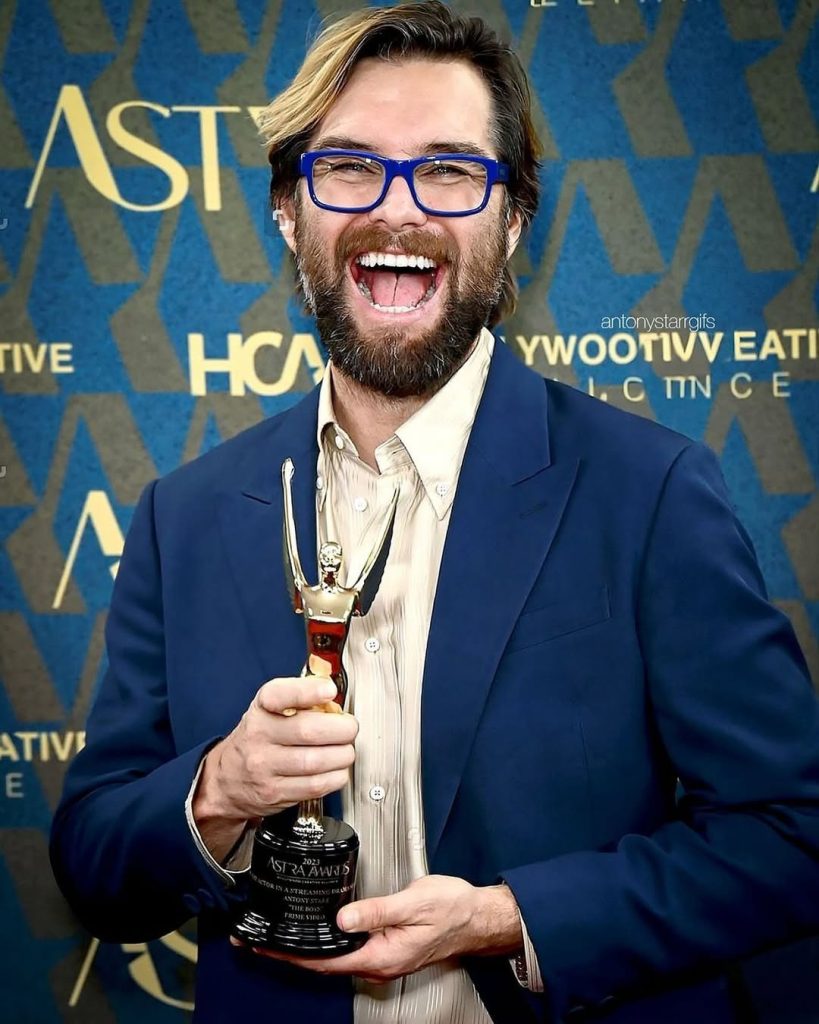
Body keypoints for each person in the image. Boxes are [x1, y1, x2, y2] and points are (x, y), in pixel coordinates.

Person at [50, 3, 819, 1023]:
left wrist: (511, 917)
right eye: (350, 168)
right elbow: (95, 863)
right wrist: (219, 790)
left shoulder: (650, 492)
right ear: (290, 209)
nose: (398, 211)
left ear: (514, 221)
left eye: (451, 171)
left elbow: (791, 831)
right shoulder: (182, 519)